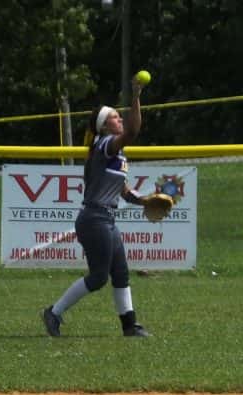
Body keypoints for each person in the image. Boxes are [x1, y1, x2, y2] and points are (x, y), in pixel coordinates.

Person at [42, 75, 151, 338]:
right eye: (114, 117)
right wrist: (136, 95)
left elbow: (124, 192)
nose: (120, 119)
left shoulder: (115, 153)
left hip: (106, 220)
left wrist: (146, 201)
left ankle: (129, 325)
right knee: (99, 277)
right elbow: (133, 132)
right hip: (94, 219)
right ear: (103, 125)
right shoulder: (105, 145)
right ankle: (53, 312)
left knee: (120, 272)